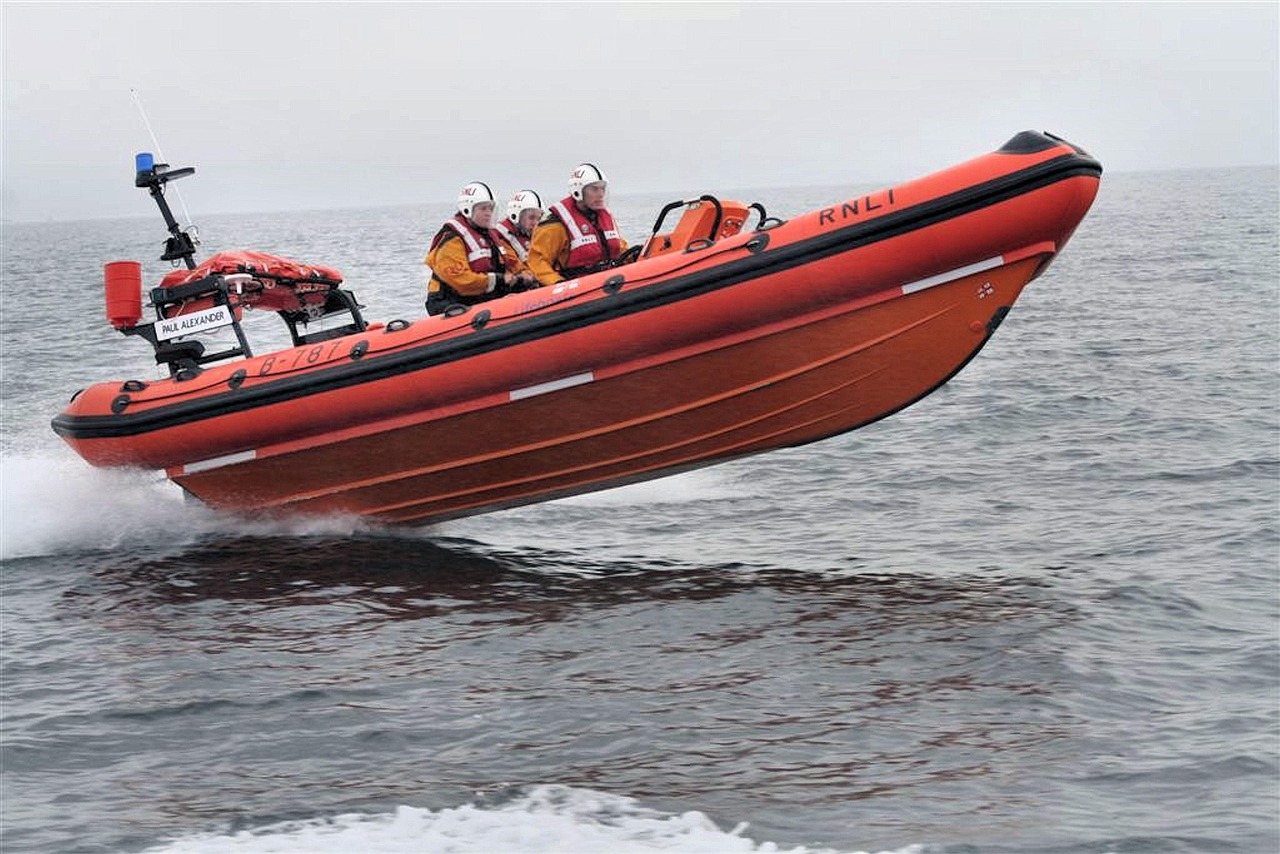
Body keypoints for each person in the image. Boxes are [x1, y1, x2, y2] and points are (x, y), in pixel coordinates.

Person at [424, 181, 535, 315]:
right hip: (450, 301)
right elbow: (460, 280)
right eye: (483, 209)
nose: (488, 213)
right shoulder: (453, 239)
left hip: (479, 298)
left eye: (491, 209)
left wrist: (523, 275)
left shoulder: (490, 236)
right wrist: (499, 279)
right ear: (467, 209)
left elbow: (509, 263)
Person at [527, 163, 630, 286]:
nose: (601, 194)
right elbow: (537, 262)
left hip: (610, 281)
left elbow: (620, 249)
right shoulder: (556, 225)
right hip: (577, 286)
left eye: (602, 188)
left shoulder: (605, 218)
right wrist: (558, 283)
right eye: (594, 189)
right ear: (578, 191)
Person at [493, 189, 543, 282]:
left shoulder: (531, 235)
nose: (535, 223)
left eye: (538, 219)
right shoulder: (501, 237)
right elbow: (514, 265)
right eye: (531, 218)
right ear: (516, 215)